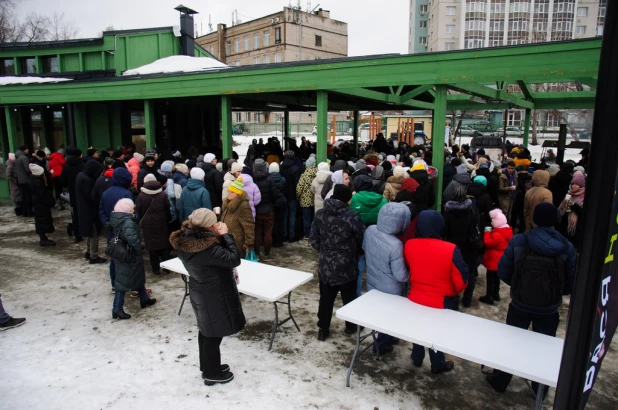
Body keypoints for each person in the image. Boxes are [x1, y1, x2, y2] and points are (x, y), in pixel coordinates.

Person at [486, 202, 576, 394]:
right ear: (555, 220)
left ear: (534, 219)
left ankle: (501, 381)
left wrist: (519, 286)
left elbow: (503, 271)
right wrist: (554, 293)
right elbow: (570, 280)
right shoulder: (566, 247)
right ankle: (539, 390)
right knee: (543, 348)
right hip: (549, 308)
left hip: (519, 304)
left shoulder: (519, 241)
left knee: (511, 343)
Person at [170, 208, 245, 386]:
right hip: (214, 293)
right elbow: (234, 258)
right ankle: (212, 373)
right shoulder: (207, 247)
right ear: (208, 226)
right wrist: (226, 235)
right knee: (213, 334)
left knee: (206, 331)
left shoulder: (187, 240)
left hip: (201, 289)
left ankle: (208, 366)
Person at [404, 210, 468, 374]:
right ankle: (437, 364)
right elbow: (461, 281)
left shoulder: (410, 244)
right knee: (436, 334)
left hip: (415, 297)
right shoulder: (451, 249)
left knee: (418, 328)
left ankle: (417, 357)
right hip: (442, 301)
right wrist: (454, 291)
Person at [310, 184, 365, 341]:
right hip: (347, 265)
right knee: (349, 297)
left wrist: (325, 251)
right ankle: (350, 326)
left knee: (326, 298)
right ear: (347, 200)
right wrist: (357, 253)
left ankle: (323, 329)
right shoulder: (352, 216)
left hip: (326, 265)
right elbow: (361, 238)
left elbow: (313, 239)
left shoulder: (320, 214)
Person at [364, 203, 411, 353]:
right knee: (389, 316)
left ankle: (388, 337)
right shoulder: (396, 245)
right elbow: (400, 275)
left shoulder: (370, 230)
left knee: (379, 313)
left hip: (372, 281)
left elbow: (365, 249)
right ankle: (382, 345)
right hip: (391, 288)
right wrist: (410, 275)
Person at [109, 198, 157, 319]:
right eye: (132, 208)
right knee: (123, 281)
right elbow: (133, 239)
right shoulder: (128, 222)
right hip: (129, 255)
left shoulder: (118, 218)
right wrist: (138, 250)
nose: (134, 209)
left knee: (137, 275)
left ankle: (144, 298)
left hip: (122, 253)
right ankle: (117, 308)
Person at [443, 186, 480, 308]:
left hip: (452, 246)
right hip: (469, 246)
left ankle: (454, 297)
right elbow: (476, 223)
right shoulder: (471, 210)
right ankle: (467, 299)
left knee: (452, 272)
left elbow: (445, 230)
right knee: (470, 272)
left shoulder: (448, 211)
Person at [100, 168, 134, 290]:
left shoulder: (106, 193)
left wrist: (106, 222)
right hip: (125, 231)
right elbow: (131, 213)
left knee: (114, 258)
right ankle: (128, 284)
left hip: (111, 231)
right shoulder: (126, 194)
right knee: (127, 258)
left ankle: (115, 283)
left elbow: (101, 210)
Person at [136, 174, 171, 274]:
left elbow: (138, 210)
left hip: (148, 224)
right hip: (162, 223)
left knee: (152, 246)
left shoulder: (141, 195)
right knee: (164, 244)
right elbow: (167, 208)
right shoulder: (162, 194)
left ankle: (155, 268)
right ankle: (167, 267)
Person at [75, 160, 107, 263]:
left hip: (83, 208)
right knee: (94, 232)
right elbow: (92, 196)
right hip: (90, 210)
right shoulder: (88, 180)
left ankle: (89, 251)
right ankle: (94, 255)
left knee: (90, 232)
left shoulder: (80, 175)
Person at [479, 209, 513, 305]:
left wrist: (487, 231)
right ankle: (496, 294)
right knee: (497, 277)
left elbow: (488, 242)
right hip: (500, 260)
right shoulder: (507, 232)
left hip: (493, 260)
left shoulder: (497, 234)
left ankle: (489, 296)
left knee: (490, 278)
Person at [252, 159, 281, 260]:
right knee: (268, 232)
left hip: (257, 209)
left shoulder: (252, 179)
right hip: (268, 208)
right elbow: (275, 194)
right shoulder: (269, 179)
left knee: (257, 232)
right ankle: (267, 251)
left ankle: (256, 251)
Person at [221, 178, 255, 255]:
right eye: (229, 191)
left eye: (232, 192)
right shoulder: (227, 203)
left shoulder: (243, 206)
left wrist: (248, 244)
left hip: (237, 242)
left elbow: (249, 226)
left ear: (237, 194)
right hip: (227, 240)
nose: (229, 193)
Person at [29, 164, 56, 247]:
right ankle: (43, 239)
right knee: (42, 220)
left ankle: (43, 238)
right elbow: (42, 194)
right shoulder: (38, 183)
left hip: (39, 204)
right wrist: (49, 201)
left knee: (41, 220)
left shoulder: (33, 180)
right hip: (41, 205)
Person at [62, 148, 86, 242]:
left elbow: (62, 181)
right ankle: (86, 232)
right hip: (84, 193)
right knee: (86, 213)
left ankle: (77, 234)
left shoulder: (66, 166)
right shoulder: (84, 165)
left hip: (73, 193)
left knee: (75, 215)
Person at [557, 172, 585, 248]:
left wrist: (573, 205)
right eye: (572, 184)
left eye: (576, 184)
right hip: (565, 225)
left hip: (575, 228)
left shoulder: (583, 197)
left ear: (581, 186)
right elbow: (562, 210)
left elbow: (582, 213)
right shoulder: (568, 194)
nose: (574, 186)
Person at [280, 150, 301, 241]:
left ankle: (284, 234)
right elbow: (297, 183)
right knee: (292, 215)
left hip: (283, 194)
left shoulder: (280, 167)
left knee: (285, 215)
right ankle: (291, 235)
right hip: (292, 195)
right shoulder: (296, 168)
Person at [296, 157, 318, 245]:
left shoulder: (304, 175)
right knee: (314, 219)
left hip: (305, 201)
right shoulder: (318, 174)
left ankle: (307, 238)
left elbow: (299, 189)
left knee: (306, 220)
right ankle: (314, 237)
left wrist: (298, 197)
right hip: (315, 200)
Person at [269, 162, 288, 248]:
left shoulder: (268, 179)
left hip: (272, 203)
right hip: (282, 202)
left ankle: (274, 240)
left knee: (272, 222)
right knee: (281, 222)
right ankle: (280, 241)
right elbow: (285, 191)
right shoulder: (283, 179)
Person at [15, 145, 34, 217]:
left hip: (21, 180)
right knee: (28, 196)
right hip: (26, 180)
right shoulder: (24, 158)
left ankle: (24, 212)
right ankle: (30, 212)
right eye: (27, 149)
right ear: (24, 150)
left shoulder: (17, 158)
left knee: (23, 196)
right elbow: (27, 169)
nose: (28, 150)